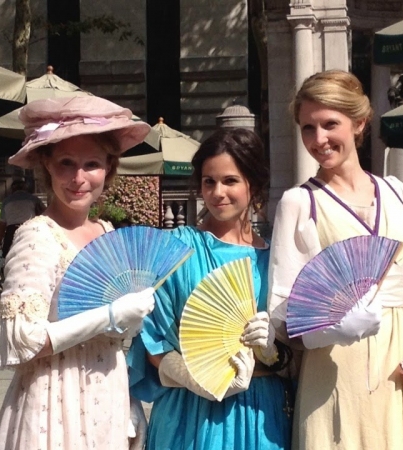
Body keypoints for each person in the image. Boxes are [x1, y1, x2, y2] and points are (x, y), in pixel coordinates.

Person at [268, 69, 403, 449]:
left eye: (329, 124)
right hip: (336, 370)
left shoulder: (398, 193)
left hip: (401, 364)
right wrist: (336, 328)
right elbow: (283, 312)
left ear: (360, 122)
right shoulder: (300, 203)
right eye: (307, 128)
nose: (318, 140)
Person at [0, 96, 155, 450]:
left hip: (108, 395)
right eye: (66, 163)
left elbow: (115, 337)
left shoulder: (107, 233)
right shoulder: (38, 235)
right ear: (46, 165)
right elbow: (23, 339)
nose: (78, 178)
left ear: (108, 169)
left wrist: (128, 399)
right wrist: (110, 315)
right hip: (53, 399)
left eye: (92, 164)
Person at [128, 128, 293, 450]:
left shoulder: (277, 258)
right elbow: (153, 340)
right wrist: (199, 380)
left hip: (262, 410)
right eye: (209, 181)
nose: (218, 192)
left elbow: (296, 346)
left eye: (230, 180)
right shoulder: (176, 249)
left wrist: (273, 356)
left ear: (253, 184)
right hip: (189, 410)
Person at [0, 178, 45, 257]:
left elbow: (2, 225)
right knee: (33, 254)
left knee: (7, 255)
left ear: (12, 189)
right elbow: (43, 214)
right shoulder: (34, 199)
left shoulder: (6, 201)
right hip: (29, 230)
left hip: (12, 231)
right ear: (25, 188)